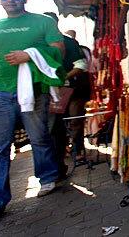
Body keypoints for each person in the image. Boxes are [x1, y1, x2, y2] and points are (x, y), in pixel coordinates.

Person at [0, 0, 66, 218]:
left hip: (34, 90)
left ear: (25, 0)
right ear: (0, 1)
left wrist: (29, 54)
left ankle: (47, 177)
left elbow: (58, 51)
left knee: (39, 137)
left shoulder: (42, 22)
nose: (11, 0)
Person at [44, 13, 90, 177]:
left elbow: (81, 64)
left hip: (74, 89)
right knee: (55, 127)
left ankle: (78, 151)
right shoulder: (38, 43)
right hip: (50, 92)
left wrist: (62, 78)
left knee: (75, 119)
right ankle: (59, 162)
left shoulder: (68, 42)